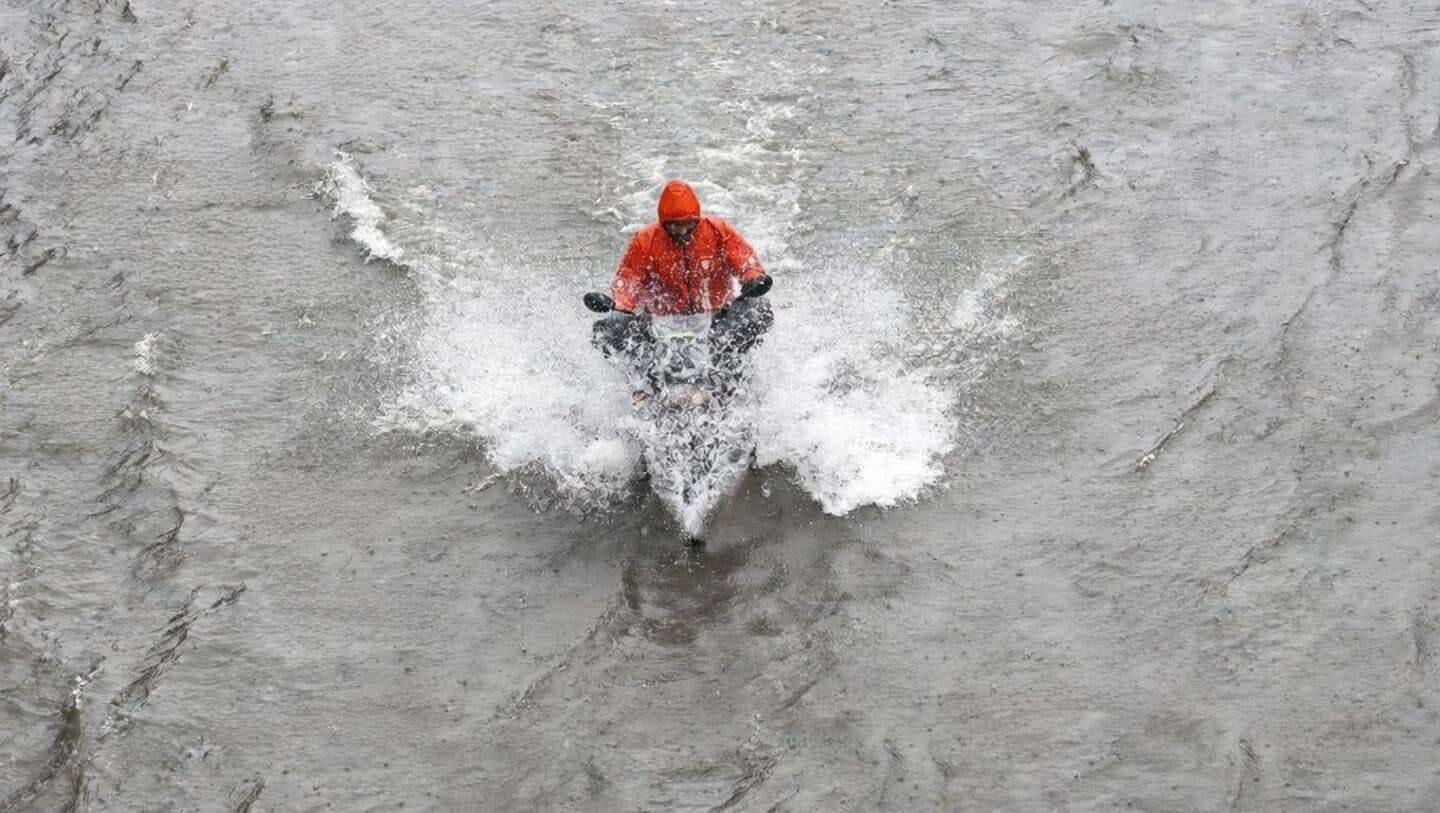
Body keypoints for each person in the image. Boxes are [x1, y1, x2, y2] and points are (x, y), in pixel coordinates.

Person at [592, 179, 774, 372]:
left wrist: (753, 279)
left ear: (697, 216)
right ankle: (640, 381)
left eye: (688, 224)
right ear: (663, 221)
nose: (681, 231)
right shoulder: (646, 240)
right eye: (674, 226)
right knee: (607, 330)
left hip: (717, 320)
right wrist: (620, 305)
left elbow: (745, 261)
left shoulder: (718, 231)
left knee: (760, 309)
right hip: (661, 323)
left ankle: (732, 370)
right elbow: (629, 281)